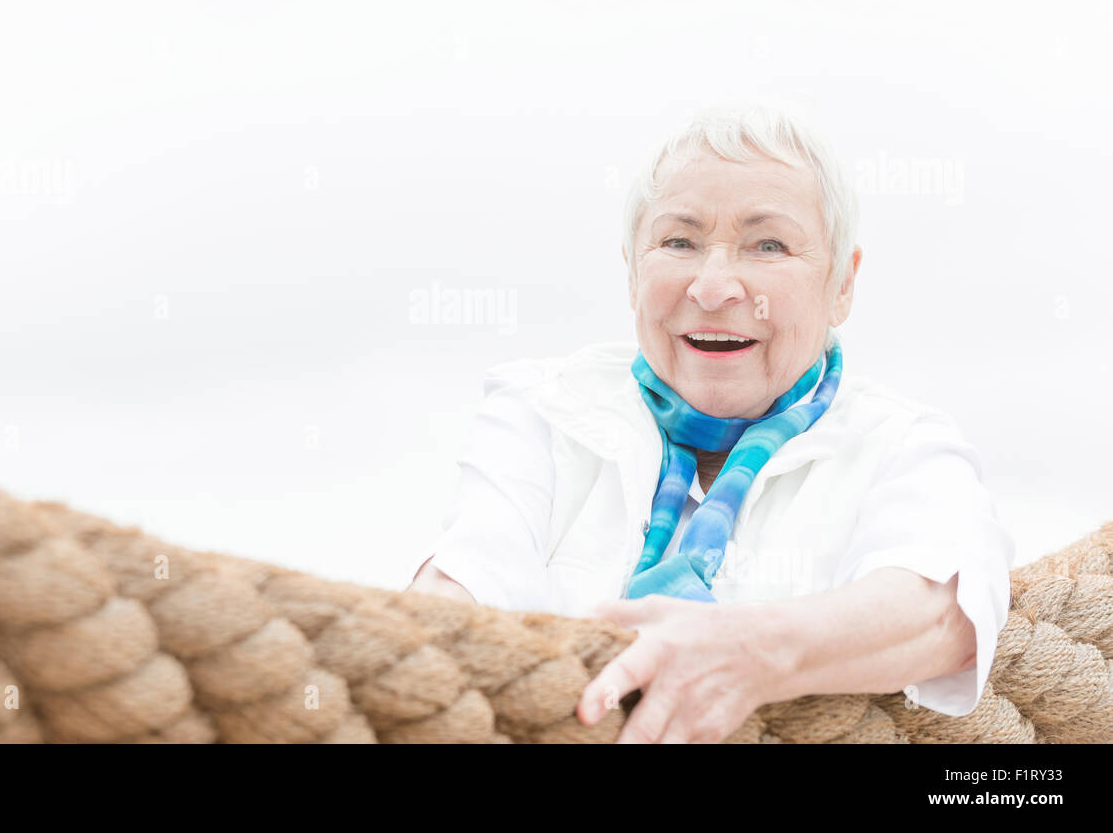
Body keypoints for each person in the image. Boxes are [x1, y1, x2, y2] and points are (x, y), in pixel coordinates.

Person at [406, 104, 1014, 743]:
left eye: (768, 245)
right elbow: (468, 579)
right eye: (678, 242)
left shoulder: (903, 445)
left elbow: (943, 608)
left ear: (842, 284)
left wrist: (749, 652)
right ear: (632, 271)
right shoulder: (541, 410)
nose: (715, 286)